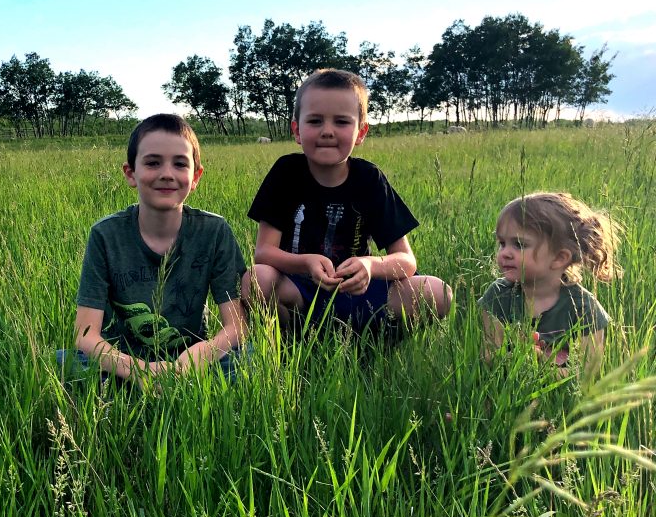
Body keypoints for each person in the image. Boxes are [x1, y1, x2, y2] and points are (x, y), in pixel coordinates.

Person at [243, 68, 450, 338]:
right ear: (297, 130)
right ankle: (294, 344)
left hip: (360, 291)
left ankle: (376, 342)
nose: (327, 131)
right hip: (301, 291)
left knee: (438, 292)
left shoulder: (369, 179)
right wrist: (305, 263)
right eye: (315, 121)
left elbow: (406, 260)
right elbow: (264, 253)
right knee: (257, 279)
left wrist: (370, 266)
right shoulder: (286, 173)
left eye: (341, 122)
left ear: (361, 132)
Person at [68, 114, 247, 388]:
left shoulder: (214, 231)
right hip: (123, 359)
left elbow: (237, 326)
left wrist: (201, 355)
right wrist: (138, 371)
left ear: (195, 176)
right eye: (153, 163)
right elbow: (85, 334)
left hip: (190, 357)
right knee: (65, 364)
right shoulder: (105, 235)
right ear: (131, 173)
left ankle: (177, 385)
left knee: (248, 361)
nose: (167, 174)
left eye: (180, 164)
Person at [479, 192, 620, 373]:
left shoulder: (584, 309)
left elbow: (588, 373)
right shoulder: (498, 295)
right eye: (502, 243)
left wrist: (539, 364)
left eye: (519, 245)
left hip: (559, 389)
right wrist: (518, 359)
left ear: (559, 258)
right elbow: (489, 357)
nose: (505, 253)